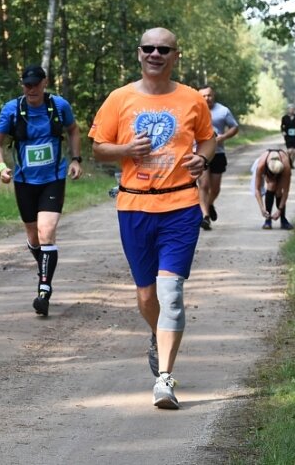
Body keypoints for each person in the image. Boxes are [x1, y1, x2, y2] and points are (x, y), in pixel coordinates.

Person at [88, 28, 216, 409]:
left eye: (164, 49)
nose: (155, 53)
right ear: (139, 53)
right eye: (149, 48)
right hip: (134, 208)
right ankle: (157, 334)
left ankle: (165, 379)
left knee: (170, 294)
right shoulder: (119, 98)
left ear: (176, 55)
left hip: (180, 207)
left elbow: (208, 138)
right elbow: (98, 149)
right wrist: (126, 148)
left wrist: (203, 158)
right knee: (147, 296)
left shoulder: (192, 99)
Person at [0, 64, 83, 318]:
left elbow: (73, 130)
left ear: (45, 83)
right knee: (33, 236)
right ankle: (44, 266)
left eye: (35, 84)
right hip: (24, 181)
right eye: (26, 84)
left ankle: (44, 290)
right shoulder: (12, 110)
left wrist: (76, 159)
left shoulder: (59, 106)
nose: (31, 89)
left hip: (53, 178)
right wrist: (1, 167)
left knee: (47, 231)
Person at [197, 86, 239, 230]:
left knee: (215, 188)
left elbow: (235, 127)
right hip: (199, 153)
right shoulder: (193, 109)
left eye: (209, 95)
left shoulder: (223, 111)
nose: (206, 98)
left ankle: (208, 204)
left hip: (218, 153)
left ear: (213, 96)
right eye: (203, 96)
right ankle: (205, 216)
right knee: (204, 185)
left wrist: (223, 137)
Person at [253, 149, 293, 230]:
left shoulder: (286, 167)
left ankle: (283, 219)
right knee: (271, 186)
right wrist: (262, 208)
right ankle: (267, 219)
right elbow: (257, 189)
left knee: (279, 191)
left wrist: (279, 210)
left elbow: (286, 191)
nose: (274, 178)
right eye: (273, 176)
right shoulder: (261, 165)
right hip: (266, 166)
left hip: (281, 167)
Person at [281, 104, 295, 168]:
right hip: (288, 136)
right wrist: (283, 131)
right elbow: (282, 126)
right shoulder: (284, 118)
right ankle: (288, 162)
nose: (291, 110)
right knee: (289, 151)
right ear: (288, 110)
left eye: (293, 109)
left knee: (294, 152)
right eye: (290, 109)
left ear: (294, 110)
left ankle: (291, 163)